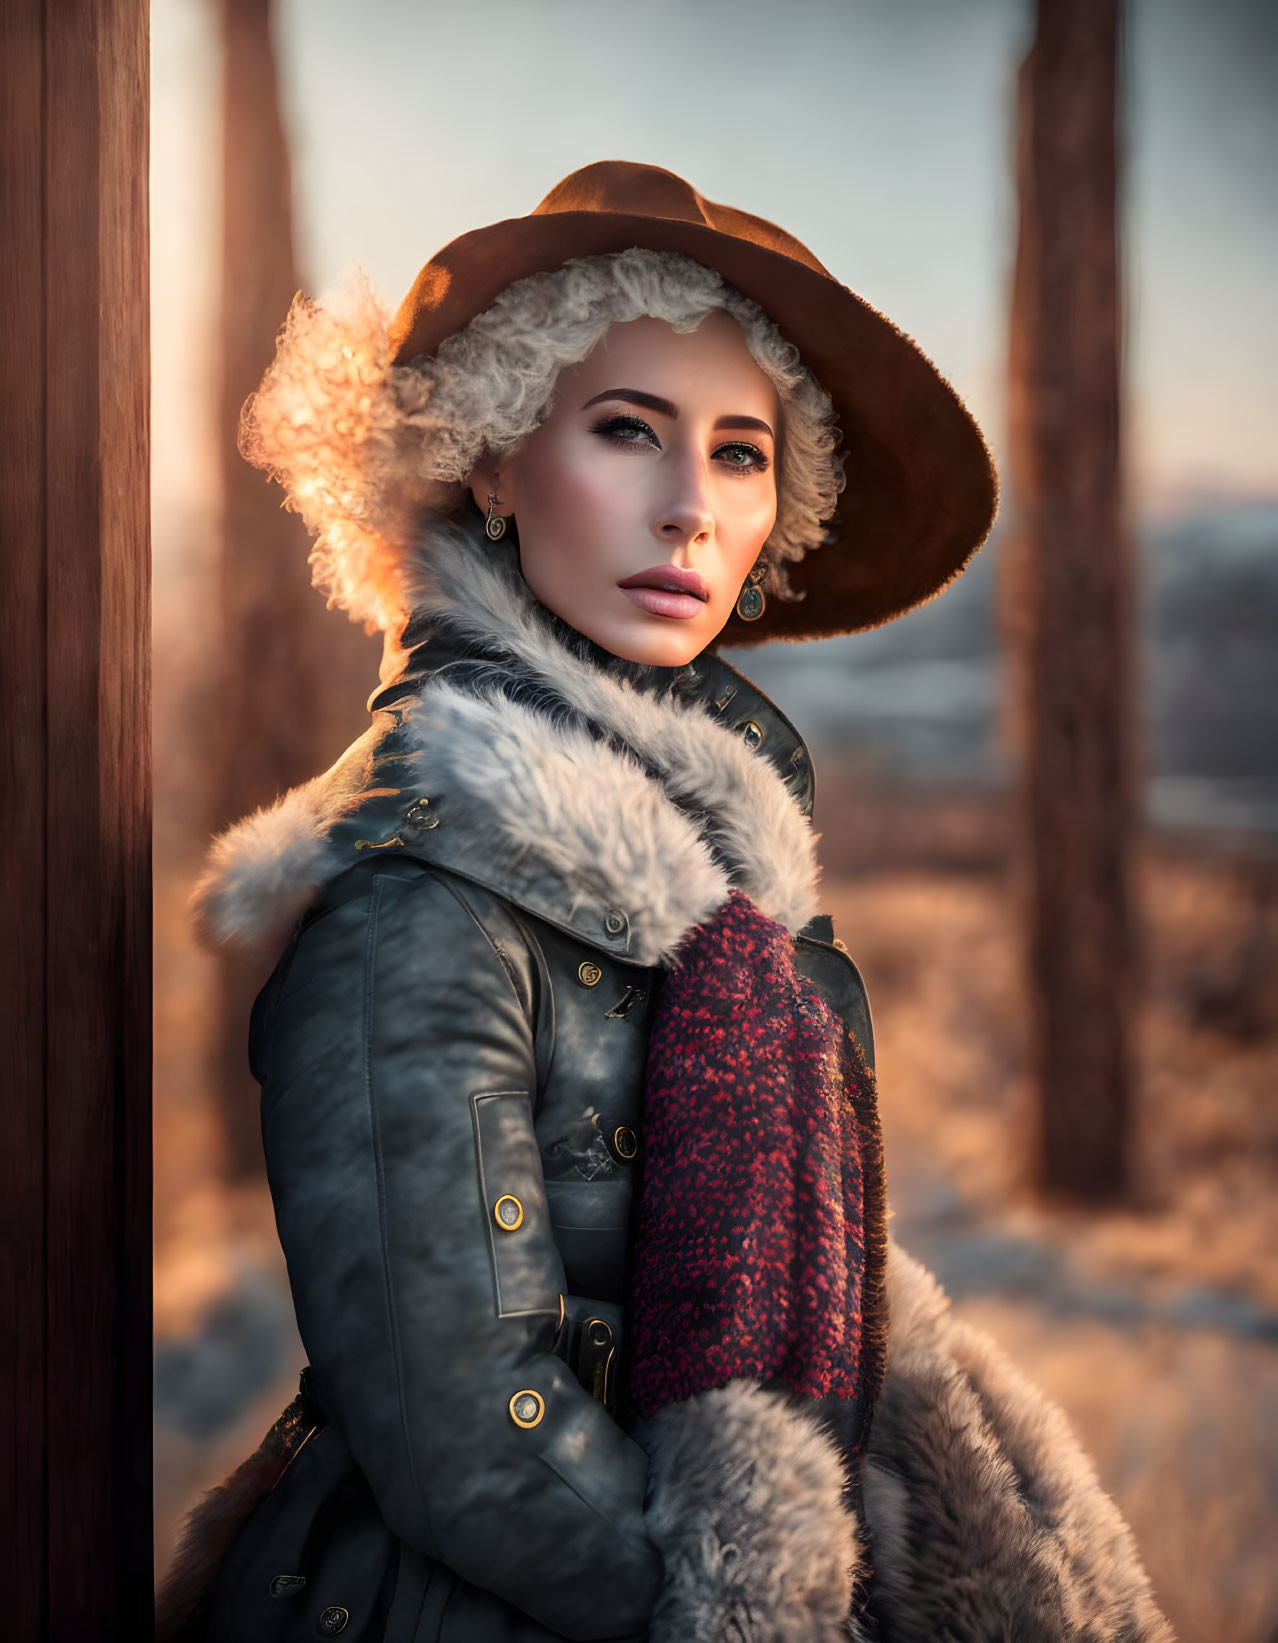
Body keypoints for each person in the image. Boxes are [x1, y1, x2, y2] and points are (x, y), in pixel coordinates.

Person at [158, 162, 1172, 1643]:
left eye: (741, 451)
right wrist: (746, 1609)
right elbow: (464, 1440)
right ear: (492, 464)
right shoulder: (418, 896)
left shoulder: (734, 894)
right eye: (626, 431)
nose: (691, 507)